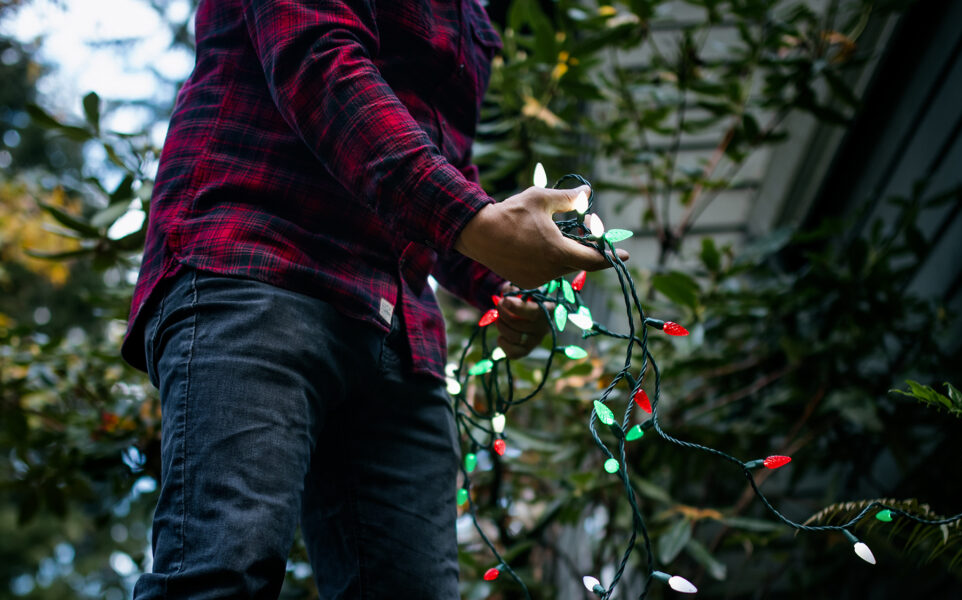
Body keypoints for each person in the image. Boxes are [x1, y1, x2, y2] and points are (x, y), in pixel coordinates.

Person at [122, 0, 626, 597]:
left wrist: (503, 283)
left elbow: (437, 156)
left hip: (400, 330)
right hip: (258, 266)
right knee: (221, 577)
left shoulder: (474, 16)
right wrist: (477, 223)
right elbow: (317, 60)